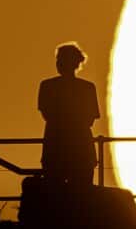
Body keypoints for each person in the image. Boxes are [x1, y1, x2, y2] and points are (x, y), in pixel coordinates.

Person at [37, 42, 101, 188]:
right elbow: (90, 119)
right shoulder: (87, 88)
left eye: (60, 60)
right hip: (81, 147)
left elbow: (47, 114)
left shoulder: (47, 86)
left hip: (55, 146)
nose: (58, 63)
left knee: (55, 191)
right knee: (82, 192)